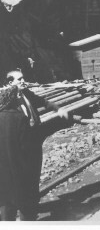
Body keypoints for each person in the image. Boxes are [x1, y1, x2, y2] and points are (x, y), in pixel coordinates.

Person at [0, 69, 69, 221]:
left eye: (23, 78)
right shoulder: (11, 111)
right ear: (10, 83)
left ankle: (23, 207)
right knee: (21, 184)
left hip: (30, 146)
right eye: (19, 79)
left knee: (24, 182)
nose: (23, 81)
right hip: (21, 148)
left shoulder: (26, 94)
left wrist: (58, 108)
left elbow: (43, 101)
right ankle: (25, 211)